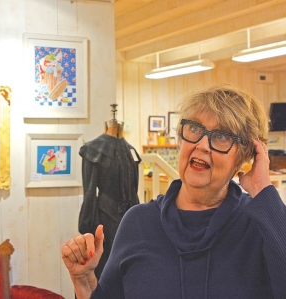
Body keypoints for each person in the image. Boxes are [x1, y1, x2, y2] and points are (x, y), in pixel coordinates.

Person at [61, 83, 286, 299]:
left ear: (245, 156)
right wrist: (83, 279)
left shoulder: (260, 224)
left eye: (221, 136)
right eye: (195, 129)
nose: (202, 145)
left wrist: (262, 188)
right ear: (180, 138)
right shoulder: (138, 221)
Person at [78, 104, 141, 280]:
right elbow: (89, 192)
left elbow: (133, 191)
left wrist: (138, 219)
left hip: (129, 218)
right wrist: (87, 227)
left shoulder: (129, 150)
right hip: (104, 219)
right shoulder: (93, 149)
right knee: (105, 270)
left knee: (128, 268)